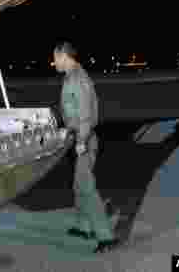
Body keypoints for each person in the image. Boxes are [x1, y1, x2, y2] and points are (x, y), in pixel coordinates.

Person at [52, 41, 119, 254]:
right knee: (78, 185)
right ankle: (84, 226)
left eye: (56, 58)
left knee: (86, 188)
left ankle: (106, 236)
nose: (54, 62)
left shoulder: (78, 80)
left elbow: (87, 116)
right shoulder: (71, 76)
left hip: (85, 139)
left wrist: (81, 141)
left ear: (65, 56)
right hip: (77, 137)